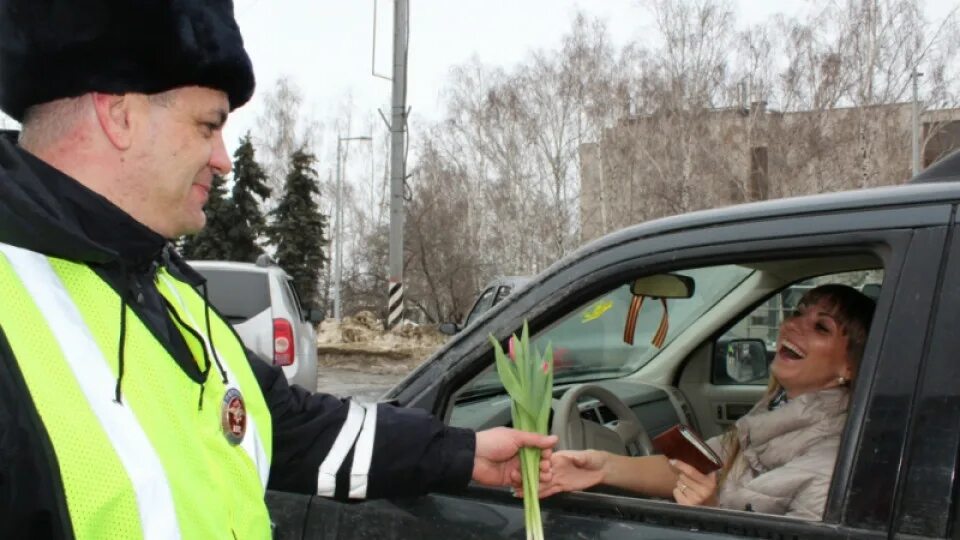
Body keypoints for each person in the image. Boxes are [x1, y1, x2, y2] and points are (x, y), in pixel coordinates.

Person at [0, 1, 555, 538]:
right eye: (207, 125)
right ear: (120, 114)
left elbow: (289, 430)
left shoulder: (166, 289)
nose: (222, 158)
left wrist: (466, 453)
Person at [538, 284, 875, 520]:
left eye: (820, 327)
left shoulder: (829, 465)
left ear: (850, 366)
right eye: (798, 312)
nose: (791, 325)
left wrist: (711, 514)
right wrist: (600, 466)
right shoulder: (775, 409)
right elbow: (698, 467)